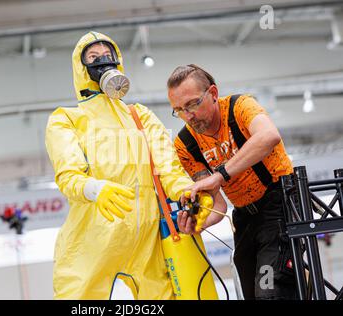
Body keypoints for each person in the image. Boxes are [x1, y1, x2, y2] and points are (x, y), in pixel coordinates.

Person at [45, 32, 215, 299]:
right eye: (93, 57)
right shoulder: (66, 120)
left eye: (107, 55)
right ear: (81, 68)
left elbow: (169, 170)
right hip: (91, 244)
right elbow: (68, 176)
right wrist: (96, 189)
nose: (103, 61)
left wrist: (191, 193)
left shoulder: (140, 116)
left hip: (147, 244)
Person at [168, 64, 297, 300]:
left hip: (279, 205)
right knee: (248, 292)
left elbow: (269, 136)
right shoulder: (185, 143)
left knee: (268, 291)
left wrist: (220, 174)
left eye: (192, 104)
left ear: (213, 93)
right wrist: (200, 223)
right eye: (178, 110)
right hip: (243, 217)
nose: (188, 116)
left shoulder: (240, 107)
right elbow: (218, 205)